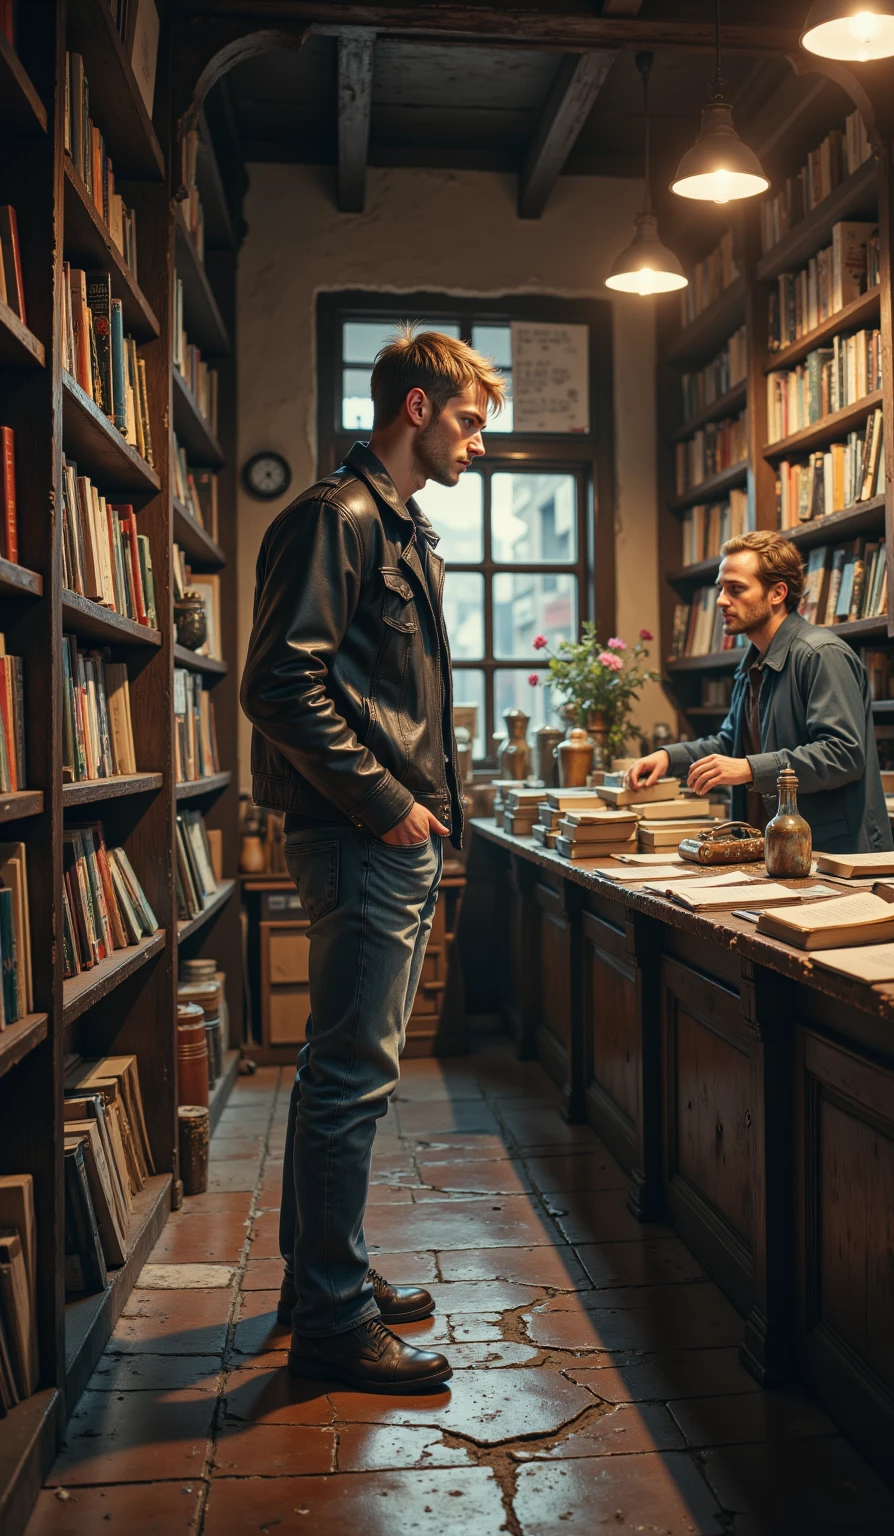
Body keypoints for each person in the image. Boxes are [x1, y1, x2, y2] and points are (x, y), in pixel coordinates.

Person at [240, 328, 505, 1391]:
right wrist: (393, 804)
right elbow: (278, 685)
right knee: (352, 1076)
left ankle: (324, 1281)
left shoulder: (403, 529)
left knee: (334, 1071)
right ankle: (334, 1322)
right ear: (414, 410)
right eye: (469, 423)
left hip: (382, 835)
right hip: (361, 834)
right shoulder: (338, 518)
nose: (475, 446)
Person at [629, 530, 892, 853]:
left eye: (736, 589)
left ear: (777, 593)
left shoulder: (820, 654)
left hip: (830, 855)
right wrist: (668, 757)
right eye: (721, 589)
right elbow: (731, 743)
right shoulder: (754, 661)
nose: (722, 601)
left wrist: (751, 768)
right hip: (774, 851)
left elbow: (843, 754)